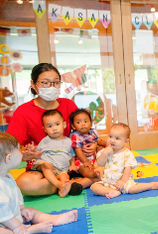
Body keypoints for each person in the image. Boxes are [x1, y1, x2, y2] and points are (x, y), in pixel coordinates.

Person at [6, 63, 96, 196]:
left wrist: (92, 145)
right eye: (45, 83)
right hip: (44, 166)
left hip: (71, 162)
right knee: (24, 184)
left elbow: (83, 132)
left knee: (102, 167)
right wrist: (23, 154)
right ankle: (72, 184)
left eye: (55, 83)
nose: (51, 87)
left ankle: (65, 183)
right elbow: (9, 147)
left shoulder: (68, 105)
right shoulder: (23, 111)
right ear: (33, 84)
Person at [0, 133, 78, 234]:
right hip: (4, 222)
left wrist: (22, 208)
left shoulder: (8, 176)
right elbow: (1, 211)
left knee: (32, 211)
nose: (21, 153)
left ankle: (54, 219)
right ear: (9, 158)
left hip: (12, 217)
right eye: (18, 150)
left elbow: (16, 194)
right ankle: (28, 231)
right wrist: (17, 226)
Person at [90, 123, 158, 199]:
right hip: (107, 182)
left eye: (117, 138)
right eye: (110, 136)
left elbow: (128, 170)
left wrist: (122, 181)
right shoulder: (105, 151)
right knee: (94, 187)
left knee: (132, 189)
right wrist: (105, 153)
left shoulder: (127, 154)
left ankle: (150, 186)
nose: (112, 140)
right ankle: (111, 191)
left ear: (126, 141)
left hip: (123, 181)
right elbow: (99, 163)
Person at [32, 110, 80, 197]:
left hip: (61, 169)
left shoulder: (68, 141)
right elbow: (37, 153)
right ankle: (59, 185)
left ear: (64, 125)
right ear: (45, 129)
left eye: (57, 124)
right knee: (45, 165)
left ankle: (62, 190)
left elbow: (71, 156)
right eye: (50, 126)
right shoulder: (45, 141)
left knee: (65, 177)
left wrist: (72, 164)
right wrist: (33, 150)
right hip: (45, 166)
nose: (54, 128)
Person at [70, 108, 103, 179]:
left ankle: (100, 171)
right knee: (89, 173)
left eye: (85, 121)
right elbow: (78, 150)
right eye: (78, 122)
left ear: (91, 123)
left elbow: (99, 140)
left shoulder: (92, 132)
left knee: (102, 148)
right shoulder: (75, 136)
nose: (83, 124)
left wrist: (106, 144)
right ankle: (95, 175)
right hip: (82, 161)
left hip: (94, 159)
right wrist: (85, 162)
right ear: (73, 126)